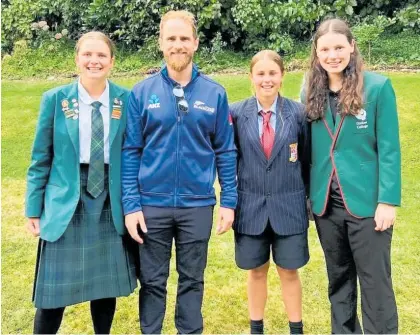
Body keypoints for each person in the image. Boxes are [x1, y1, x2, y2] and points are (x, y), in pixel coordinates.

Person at [121, 10, 237, 334]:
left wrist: (228, 201)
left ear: (196, 43)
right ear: (161, 43)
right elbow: (131, 151)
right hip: (151, 206)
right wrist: (131, 205)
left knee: (192, 281)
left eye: (184, 38)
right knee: (153, 282)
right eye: (171, 38)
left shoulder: (215, 94)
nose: (178, 45)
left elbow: (226, 150)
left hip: (197, 205)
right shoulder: (142, 93)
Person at [25, 31, 137, 334]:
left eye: (101, 55)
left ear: (112, 61)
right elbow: (40, 158)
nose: (94, 61)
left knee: (104, 288)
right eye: (87, 54)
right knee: (52, 296)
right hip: (66, 201)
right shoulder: (55, 99)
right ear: (77, 59)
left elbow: (133, 154)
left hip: (108, 201)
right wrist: (33, 208)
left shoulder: (126, 100)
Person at [303, 18, 401, 334]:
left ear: (351, 47)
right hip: (325, 205)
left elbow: (389, 149)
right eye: (325, 49)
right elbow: (307, 149)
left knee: (375, 283)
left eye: (339, 47)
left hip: (367, 204)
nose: (333, 55)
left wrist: (387, 200)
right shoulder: (309, 90)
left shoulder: (377, 87)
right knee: (339, 280)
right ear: (317, 54)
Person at [230, 50, 310, 335]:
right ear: (251, 77)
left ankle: (296, 328)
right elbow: (230, 160)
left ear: (282, 76)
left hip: (288, 207)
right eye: (261, 74)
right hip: (250, 208)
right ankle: (256, 328)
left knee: (289, 271)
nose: (267, 79)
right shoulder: (237, 114)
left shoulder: (298, 114)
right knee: (256, 270)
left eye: (272, 73)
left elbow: (307, 159)